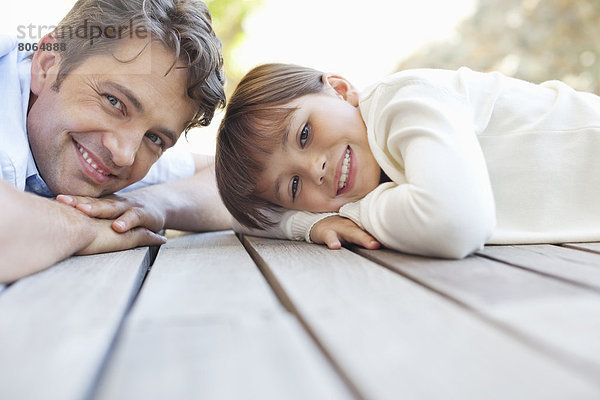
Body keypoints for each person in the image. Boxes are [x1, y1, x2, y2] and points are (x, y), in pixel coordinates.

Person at [215, 63, 600, 259]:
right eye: (293, 186)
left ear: (340, 89)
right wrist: (308, 225)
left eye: (304, 134)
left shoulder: (404, 99)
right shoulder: (367, 167)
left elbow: (454, 223)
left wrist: (354, 214)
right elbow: (251, 218)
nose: (314, 168)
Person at [0, 0, 231, 283]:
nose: (124, 155)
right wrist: (83, 227)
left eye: (155, 138)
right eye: (114, 102)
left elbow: (238, 184)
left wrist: (144, 207)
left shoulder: (102, 148)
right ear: (48, 65)